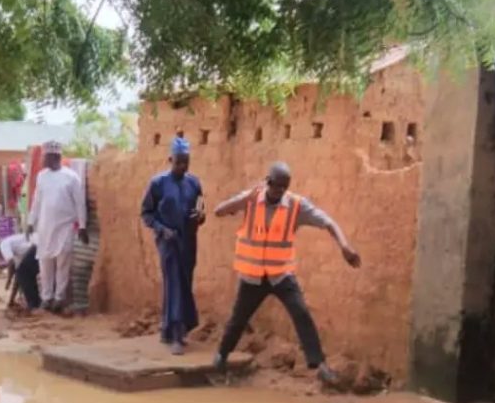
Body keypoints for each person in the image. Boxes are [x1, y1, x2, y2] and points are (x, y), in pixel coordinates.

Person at [211, 161, 361, 385]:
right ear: (268, 182)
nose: (280, 191)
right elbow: (219, 211)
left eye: (284, 187)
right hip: (253, 276)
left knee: (301, 313)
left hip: (281, 275)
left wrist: (344, 246)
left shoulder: (296, 206)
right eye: (276, 186)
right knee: (238, 319)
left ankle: (320, 365)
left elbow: (328, 222)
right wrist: (244, 200)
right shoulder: (252, 199)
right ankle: (221, 358)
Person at [140, 136, 205, 354]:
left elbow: (201, 209)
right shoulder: (158, 184)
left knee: (184, 283)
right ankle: (177, 334)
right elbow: (146, 214)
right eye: (179, 162)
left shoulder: (194, 183)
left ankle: (168, 329)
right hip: (168, 242)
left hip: (188, 241)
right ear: (170, 160)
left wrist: (200, 216)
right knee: (175, 283)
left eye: (186, 161)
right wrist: (162, 229)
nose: (183, 166)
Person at [28, 140, 85, 312]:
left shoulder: (72, 177)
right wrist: (31, 222)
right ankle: (46, 298)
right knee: (45, 265)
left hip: (65, 228)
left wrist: (82, 226)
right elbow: (37, 201)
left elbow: (80, 204)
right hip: (45, 228)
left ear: (55, 157)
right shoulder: (41, 176)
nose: (43, 160)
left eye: (45, 157)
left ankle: (59, 298)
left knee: (62, 264)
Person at [70, 184, 102, 315]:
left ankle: (82, 306)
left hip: (95, 234)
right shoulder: (78, 180)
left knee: (81, 265)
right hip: (84, 233)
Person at [0, 231, 39, 311]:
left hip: (37, 246)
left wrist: (8, 281)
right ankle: (36, 302)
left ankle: (34, 304)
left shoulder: (2, 245)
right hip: (40, 245)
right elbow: (18, 278)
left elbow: (11, 263)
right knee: (25, 274)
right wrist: (11, 300)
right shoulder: (18, 252)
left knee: (23, 273)